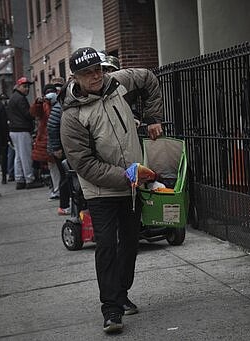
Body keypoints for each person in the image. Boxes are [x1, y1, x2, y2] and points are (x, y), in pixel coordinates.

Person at [60, 47, 163, 333]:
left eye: (98, 69)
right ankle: (111, 309)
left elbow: (149, 79)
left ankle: (121, 291)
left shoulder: (119, 82)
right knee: (106, 246)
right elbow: (85, 165)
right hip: (100, 191)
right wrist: (127, 175)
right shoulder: (72, 116)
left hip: (131, 185)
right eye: (87, 73)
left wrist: (153, 117)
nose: (95, 76)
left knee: (130, 243)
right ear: (75, 77)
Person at [7, 76, 43, 189]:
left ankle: (20, 179)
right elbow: (28, 114)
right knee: (25, 156)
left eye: (27, 86)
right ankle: (29, 179)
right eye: (24, 86)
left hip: (14, 130)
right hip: (21, 130)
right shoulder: (20, 98)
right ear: (18, 86)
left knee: (18, 156)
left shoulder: (13, 97)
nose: (27, 89)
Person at [46, 84, 70, 215]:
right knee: (65, 176)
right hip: (60, 149)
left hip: (63, 147)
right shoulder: (59, 107)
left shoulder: (62, 106)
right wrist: (57, 148)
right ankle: (64, 205)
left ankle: (66, 204)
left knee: (67, 176)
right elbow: (52, 127)